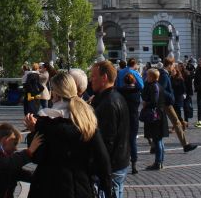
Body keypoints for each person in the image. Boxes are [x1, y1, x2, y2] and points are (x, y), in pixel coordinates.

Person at [24, 71, 111, 196]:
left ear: (56, 93)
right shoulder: (86, 118)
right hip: (80, 185)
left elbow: (37, 156)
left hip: (49, 185)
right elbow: (102, 158)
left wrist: (33, 131)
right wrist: (106, 185)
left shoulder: (45, 119)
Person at [89, 60, 130, 197]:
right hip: (118, 161)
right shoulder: (114, 97)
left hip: (111, 165)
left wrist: (101, 169)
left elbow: (107, 141)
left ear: (104, 77)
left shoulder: (109, 103)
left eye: (93, 76)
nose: (91, 80)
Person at [141, 68, 167, 170]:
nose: (146, 77)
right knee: (159, 139)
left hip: (156, 116)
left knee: (157, 139)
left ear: (152, 77)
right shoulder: (158, 85)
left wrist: (146, 103)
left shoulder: (153, 87)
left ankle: (158, 162)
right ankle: (160, 161)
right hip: (160, 114)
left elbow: (154, 101)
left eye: (147, 75)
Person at [118, 61, 141, 175]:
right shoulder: (137, 92)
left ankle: (123, 161)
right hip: (134, 117)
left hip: (123, 118)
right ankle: (134, 164)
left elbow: (118, 87)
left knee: (124, 140)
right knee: (133, 141)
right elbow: (140, 86)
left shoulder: (121, 92)